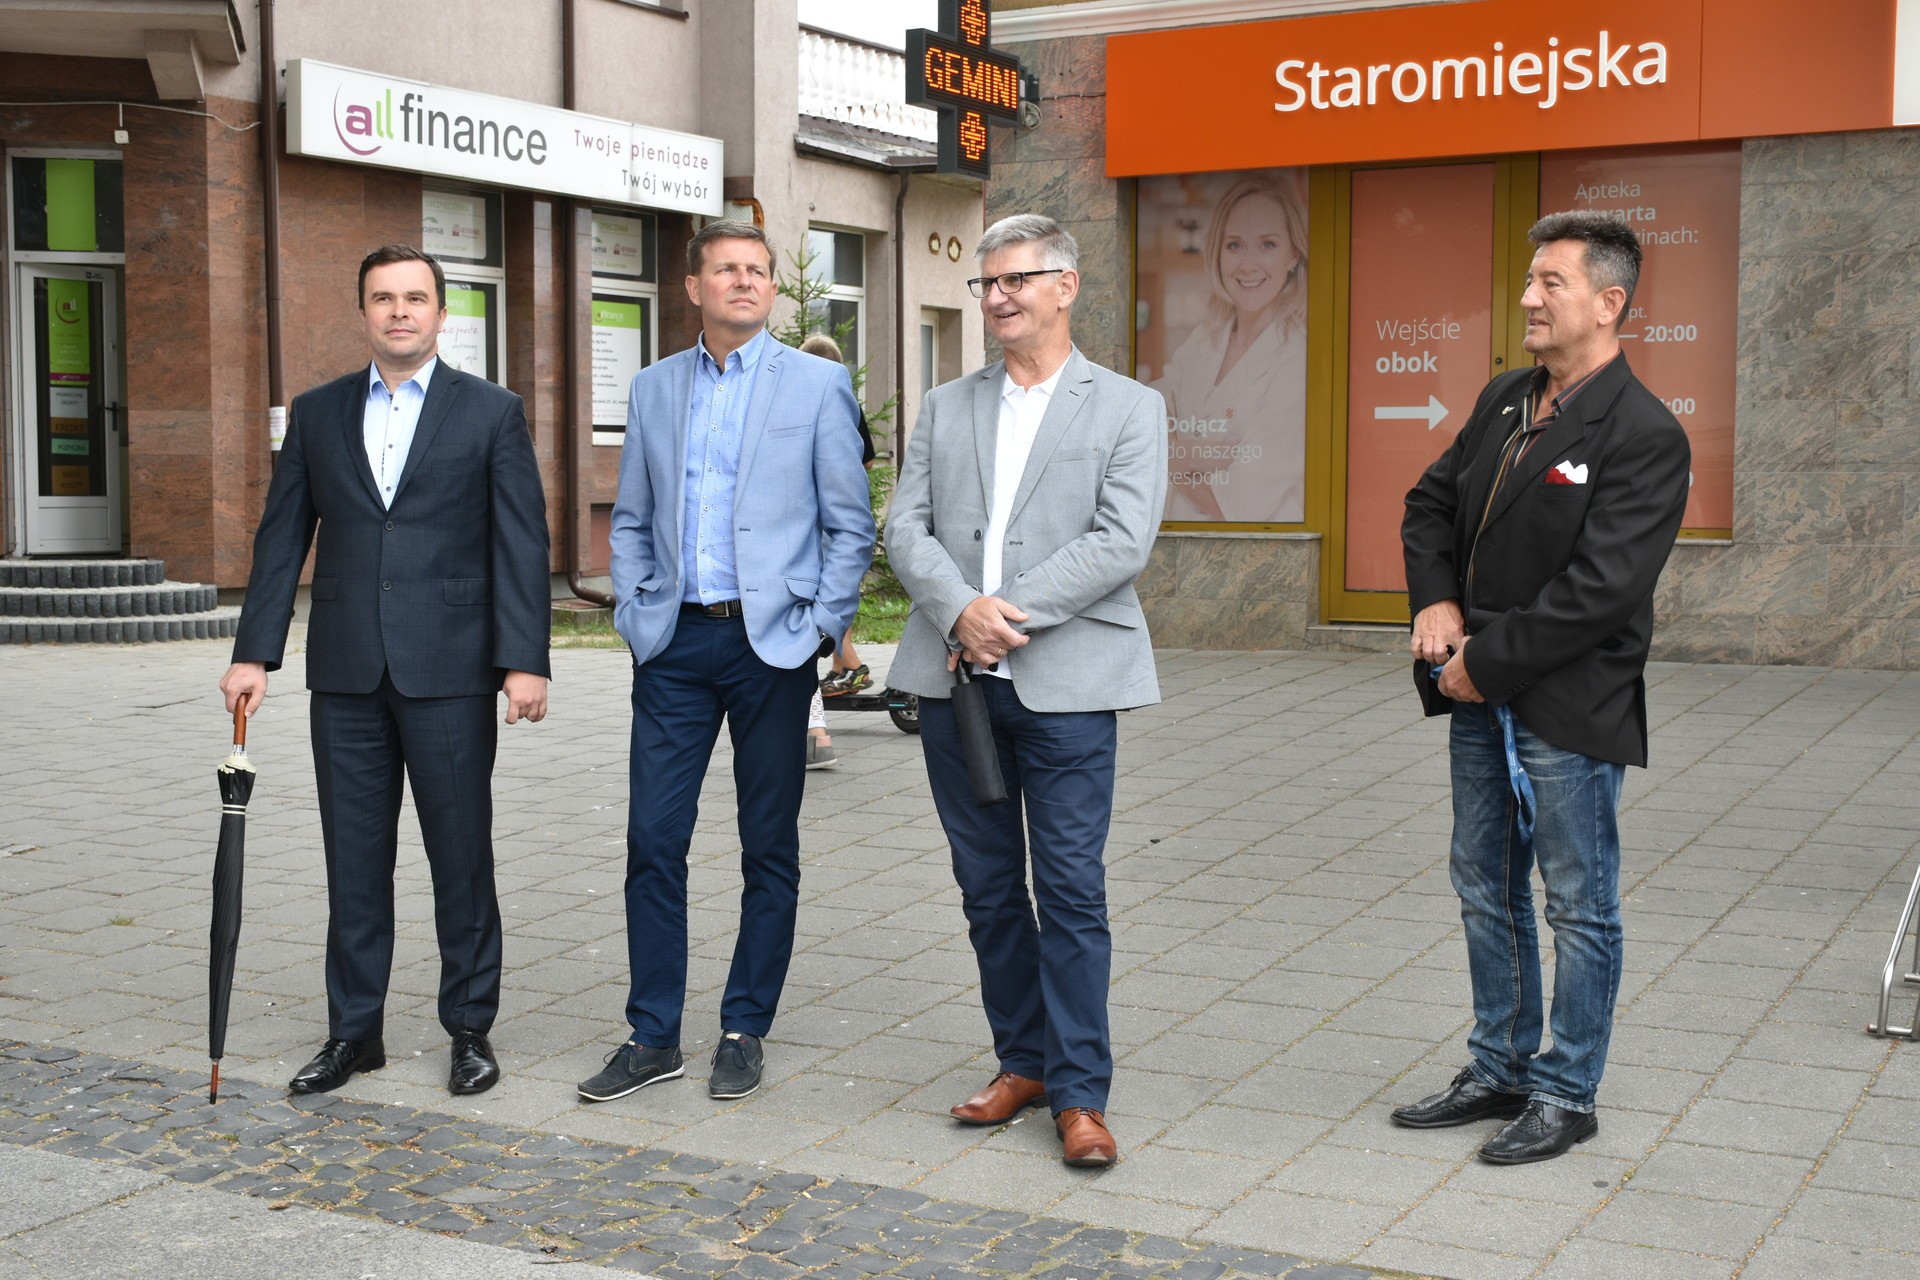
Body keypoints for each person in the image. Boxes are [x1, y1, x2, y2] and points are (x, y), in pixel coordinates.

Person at [220, 243, 551, 1099]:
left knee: (460, 857)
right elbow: (281, 537)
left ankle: (469, 1028)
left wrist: (524, 661)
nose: (399, 311)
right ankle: (353, 1032)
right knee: (354, 861)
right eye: (382, 298)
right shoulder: (317, 413)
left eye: (414, 297)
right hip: (346, 673)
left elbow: (521, 542)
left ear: (441, 312)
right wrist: (254, 652)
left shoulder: (491, 412)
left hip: (452, 669)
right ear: (363, 311)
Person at [1395, 211, 1691, 1165]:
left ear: (1609, 303)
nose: (1527, 297)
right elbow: (1430, 504)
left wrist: (1484, 662)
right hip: (1478, 694)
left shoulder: (1645, 434)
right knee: (1485, 886)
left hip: (1567, 706)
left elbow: (1600, 592)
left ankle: (1568, 1091)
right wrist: (1436, 599)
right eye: (1529, 280)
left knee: (1578, 903)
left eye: (1550, 283)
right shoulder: (1506, 399)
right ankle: (1500, 1067)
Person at [888, 214, 1168, 1168]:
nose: (1000, 297)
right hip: (957, 686)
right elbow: (905, 527)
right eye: (988, 283)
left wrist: (1001, 612)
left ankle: (1082, 1093)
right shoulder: (947, 404)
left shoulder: (1127, 407)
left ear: (1065, 286)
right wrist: (958, 611)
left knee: (1072, 890)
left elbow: (1120, 541)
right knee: (987, 888)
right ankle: (1025, 1062)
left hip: (1069, 687)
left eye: (1018, 279)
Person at [580, 219, 874, 1105]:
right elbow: (632, 517)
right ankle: (653, 1035)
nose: (744, 281)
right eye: (726, 269)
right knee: (652, 840)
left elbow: (849, 521)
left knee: (767, 844)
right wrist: (636, 612)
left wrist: (822, 627)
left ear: (772, 288)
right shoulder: (655, 387)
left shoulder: (817, 384)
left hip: (771, 644)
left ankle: (745, 1027)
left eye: (757, 270)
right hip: (673, 643)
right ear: (694, 287)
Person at [1152, 172, 1308, 523]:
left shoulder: (1298, 360)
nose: (1248, 264)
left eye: (1267, 244)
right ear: (1218, 254)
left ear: (1293, 255)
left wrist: (1168, 454)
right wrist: (1194, 456)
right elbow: (1149, 413)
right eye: (1235, 245)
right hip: (1176, 537)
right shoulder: (1206, 338)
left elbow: (1236, 503)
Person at [797, 332, 877, 702]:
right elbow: (869, 458)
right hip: (836, 514)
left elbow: (863, 458)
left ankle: (853, 665)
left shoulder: (823, 402)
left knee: (828, 589)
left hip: (826, 518)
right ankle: (841, 667)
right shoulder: (845, 401)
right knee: (834, 588)